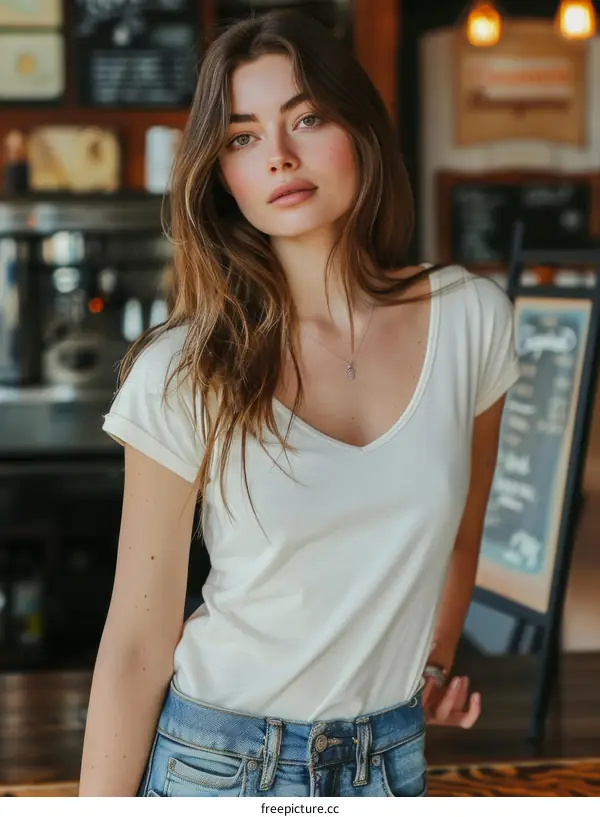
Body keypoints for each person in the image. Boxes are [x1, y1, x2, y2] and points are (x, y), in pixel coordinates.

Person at [78, 10, 520, 798]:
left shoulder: (471, 318)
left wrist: (434, 660)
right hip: (217, 760)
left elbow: (463, 531)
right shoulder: (183, 369)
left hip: (389, 762)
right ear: (222, 174)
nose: (279, 156)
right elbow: (139, 643)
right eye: (243, 137)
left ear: (361, 128)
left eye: (307, 118)